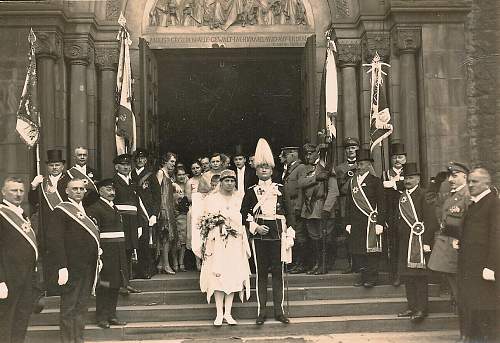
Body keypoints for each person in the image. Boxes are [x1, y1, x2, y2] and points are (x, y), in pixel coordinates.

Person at [241, 138, 293, 325]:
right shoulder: (251, 191)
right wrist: (254, 227)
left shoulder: (280, 188)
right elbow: (244, 213)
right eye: (260, 167)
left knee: (278, 273)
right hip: (260, 235)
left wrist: (290, 232)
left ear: (272, 170)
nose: (264, 170)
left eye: (267, 168)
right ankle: (261, 311)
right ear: (256, 171)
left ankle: (279, 311)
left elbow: (289, 211)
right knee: (261, 273)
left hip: (278, 233)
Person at [48, 178, 101, 343]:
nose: (78, 191)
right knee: (69, 308)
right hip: (71, 267)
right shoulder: (61, 211)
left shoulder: (86, 210)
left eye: (81, 189)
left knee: (82, 307)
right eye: (75, 188)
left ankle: (78, 339)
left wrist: (97, 255)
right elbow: (55, 240)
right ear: (66, 191)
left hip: (88, 266)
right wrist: (62, 266)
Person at [197, 169, 251, 326]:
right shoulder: (212, 199)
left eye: (232, 181)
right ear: (221, 182)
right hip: (218, 242)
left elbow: (244, 218)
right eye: (226, 181)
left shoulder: (240, 198)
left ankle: (228, 313)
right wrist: (218, 225)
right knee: (218, 275)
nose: (229, 184)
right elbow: (205, 220)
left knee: (233, 274)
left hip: (235, 241)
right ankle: (219, 313)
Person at [458, 168, 498, 342]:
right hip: (471, 268)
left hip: (484, 268)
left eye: (475, 181)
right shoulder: (475, 204)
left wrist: (491, 266)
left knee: (487, 311)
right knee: (475, 307)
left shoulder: (493, 203)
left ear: (487, 183)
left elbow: (497, 236)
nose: (471, 184)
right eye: (469, 181)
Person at [395, 163, 438, 322]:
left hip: (419, 243)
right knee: (408, 276)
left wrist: (426, 241)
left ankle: (422, 309)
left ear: (418, 179)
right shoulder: (402, 196)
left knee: (419, 277)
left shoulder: (424, 194)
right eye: (406, 177)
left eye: (411, 177)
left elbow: (431, 221)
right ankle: (412, 306)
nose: (408, 180)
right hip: (405, 242)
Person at [427, 162, 470, 312]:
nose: (450, 179)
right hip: (448, 245)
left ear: (465, 176)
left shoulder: (467, 195)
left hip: (457, 247)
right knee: (454, 284)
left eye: (454, 176)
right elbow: (434, 204)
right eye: (450, 176)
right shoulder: (452, 194)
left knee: (461, 288)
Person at [86, 179, 128, 329]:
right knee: (104, 285)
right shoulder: (94, 208)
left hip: (117, 253)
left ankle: (112, 315)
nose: (112, 192)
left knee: (115, 285)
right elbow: (93, 233)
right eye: (108, 189)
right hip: (105, 254)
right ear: (100, 190)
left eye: (113, 189)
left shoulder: (114, 208)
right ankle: (101, 317)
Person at [0, 177, 38, 343]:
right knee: (6, 320)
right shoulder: (2, 214)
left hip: (26, 277)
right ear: (3, 192)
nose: (18, 194)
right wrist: (0, 280)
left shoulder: (22, 213)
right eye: (14, 191)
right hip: (8, 278)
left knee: (22, 318)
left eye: (21, 191)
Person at [29, 149, 70, 294]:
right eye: (52, 165)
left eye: (57, 165)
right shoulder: (42, 182)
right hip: (47, 225)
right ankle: (51, 288)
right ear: (47, 166)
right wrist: (34, 187)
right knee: (48, 258)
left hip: (65, 225)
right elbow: (33, 202)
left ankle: (64, 289)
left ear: (62, 166)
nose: (54, 168)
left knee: (65, 255)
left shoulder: (68, 181)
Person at [345, 149, 386, 288]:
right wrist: (348, 222)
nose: (359, 167)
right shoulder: (352, 182)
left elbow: (382, 203)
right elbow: (349, 204)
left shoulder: (375, 181)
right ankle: (363, 277)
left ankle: (372, 278)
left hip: (371, 222)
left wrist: (380, 222)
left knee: (371, 252)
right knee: (359, 251)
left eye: (362, 164)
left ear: (369, 165)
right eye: (358, 164)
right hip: (356, 223)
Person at [298, 143, 339, 275]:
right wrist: (316, 178)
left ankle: (324, 264)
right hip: (310, 208)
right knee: (314, 238)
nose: (308, 156)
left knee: (324, 238)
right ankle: (317, 263)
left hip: (322, 207)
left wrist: (327, 209)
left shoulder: (327, 169)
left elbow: (333, 191)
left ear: (318, 154)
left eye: (310, 153)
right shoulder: (306, 169)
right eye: (306, 154)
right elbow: (301, 183)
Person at [112, 154, 141, 294]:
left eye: (128, 165)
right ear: (116, 167)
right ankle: (121, 283)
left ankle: (127, 282)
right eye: (123, 165)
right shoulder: (113, 182)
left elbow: (137, 204)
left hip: (132, 222)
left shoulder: (133, 182)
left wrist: (139, 224)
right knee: (120, 252)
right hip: (121, 222)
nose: (126, 167)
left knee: (129, 251)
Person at [131, 148, 161, 279]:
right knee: (136, 241)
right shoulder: (130, 174)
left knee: (147, 241)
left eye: (142, 158)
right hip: (134, 212)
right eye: (137, 158)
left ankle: (148, 269)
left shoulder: (150, 175)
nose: (140, 160)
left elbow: (157, 197)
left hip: (147, 213)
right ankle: (137, 270)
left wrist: (154, 214)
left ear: (146, 160)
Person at [383, 143, 407, 287]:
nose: (397, 160)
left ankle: (403, 274)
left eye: (400, 157)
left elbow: (410, 184)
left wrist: (394, 185)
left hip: (407, 213)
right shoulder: (385, 174)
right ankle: (394, 274)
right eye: (394, 157)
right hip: (392, 213)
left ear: (405, 158)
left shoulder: (410, 172)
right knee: (393, 246)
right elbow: (384, 197)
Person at [334, 137, 360, 274]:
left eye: (353, 148)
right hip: (345, 204)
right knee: (348, 235)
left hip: (361, 204)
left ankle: (361, 264)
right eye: (348, 148)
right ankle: (351, 264)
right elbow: (336, 188)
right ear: (345, 151)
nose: (351, 151)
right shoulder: (339, 168)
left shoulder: (364, 165)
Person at [281, 147, 307, 274]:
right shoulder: (288, 168)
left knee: (299, 235)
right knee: (292, 234)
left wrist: (298, 207)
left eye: (285, 155)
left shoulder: (300, 168)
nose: (283, 157)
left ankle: (301, 263)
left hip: (295, 204)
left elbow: (301, 189)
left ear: (293, 154)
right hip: (289, 204)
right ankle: (294, 263)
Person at [156, 152, 179, 275]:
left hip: (169, 206)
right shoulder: (161, 173)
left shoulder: (168, 175)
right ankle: (166, 264)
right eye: (171, 161)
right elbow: (156, 190)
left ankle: (161, 263)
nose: (173, 164)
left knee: (169, 236)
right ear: (165, 161)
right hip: (163, 207)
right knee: (166, 235)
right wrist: (159, 209)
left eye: (174, 162)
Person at [174, 167, 190, 272]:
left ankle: (181, 262)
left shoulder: (187, 185)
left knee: (183, 240)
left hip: (184, 215)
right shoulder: (173, 185)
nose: (181, 176)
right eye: (179, 174)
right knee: (175, 240)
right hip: (175, 215)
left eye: (183, 174)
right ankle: (175, 263)